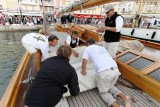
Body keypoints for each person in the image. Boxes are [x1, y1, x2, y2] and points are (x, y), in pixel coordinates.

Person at [81, 39, 132, 107]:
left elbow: (84, 61)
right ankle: (124, 97)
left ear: (87, 44)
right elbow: (112, 58)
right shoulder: (102, 48)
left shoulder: (88, 48)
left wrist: (83, 71)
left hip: (105, 73)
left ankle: (116, 106)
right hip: (115, 70)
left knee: (103, 92)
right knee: (110, 87)